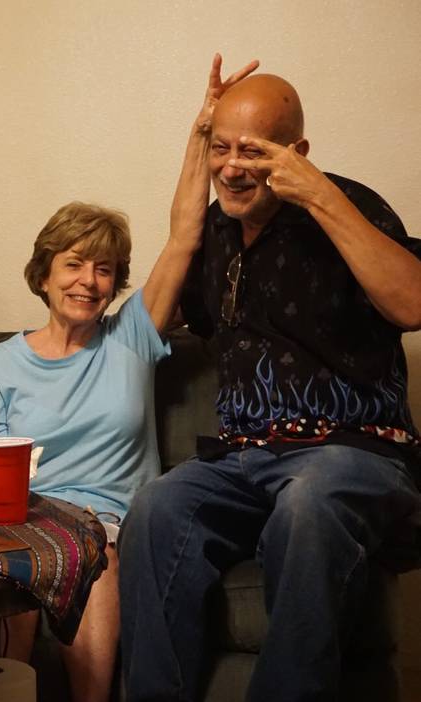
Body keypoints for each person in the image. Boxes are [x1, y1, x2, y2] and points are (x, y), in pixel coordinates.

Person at [118, 58, 421, 702]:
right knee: (155, 508)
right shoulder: (217, 234)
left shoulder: (350, 205)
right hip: (242, 460)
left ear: (297, 151)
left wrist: (318, 194)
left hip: (351, 454)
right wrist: (196, 151)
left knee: (308, 504)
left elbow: (413, 304)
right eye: (220, 149)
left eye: (252, 151)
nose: (231, 167)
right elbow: (150, 328)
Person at [0, 55, 259, 702]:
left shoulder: (130, 337)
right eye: (74, 265)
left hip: (108, 530)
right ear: (43, 273)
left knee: (93, 561)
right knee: (7, 577)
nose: (89, 282)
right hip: (28, 527)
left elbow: (185, 237)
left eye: (104, 270)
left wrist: (203, 133)